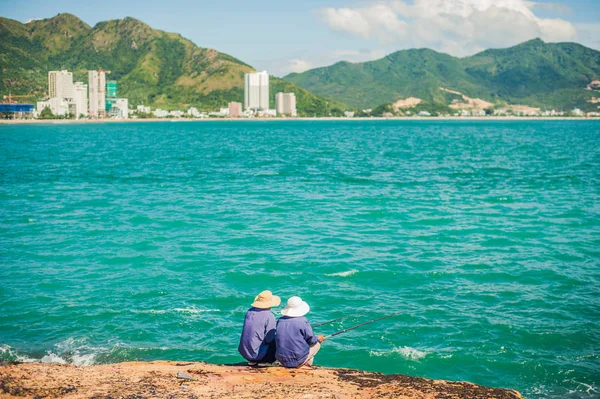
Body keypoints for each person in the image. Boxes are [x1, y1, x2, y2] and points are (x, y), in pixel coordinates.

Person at [275, 296, 324, 368]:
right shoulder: (302, 320)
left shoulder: (280, 320)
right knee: (317, 344)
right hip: (297, 360)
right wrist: (318, 338)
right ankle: (304, 365)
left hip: (281, 359)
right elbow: (312, 341)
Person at [238, 290, 281, 365]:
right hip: (258, 355)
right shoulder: (269, 316)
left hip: (245, 353)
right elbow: (269, 339)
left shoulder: (249, 312)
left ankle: (253, 361)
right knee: (278, 340)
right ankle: (264, 362)